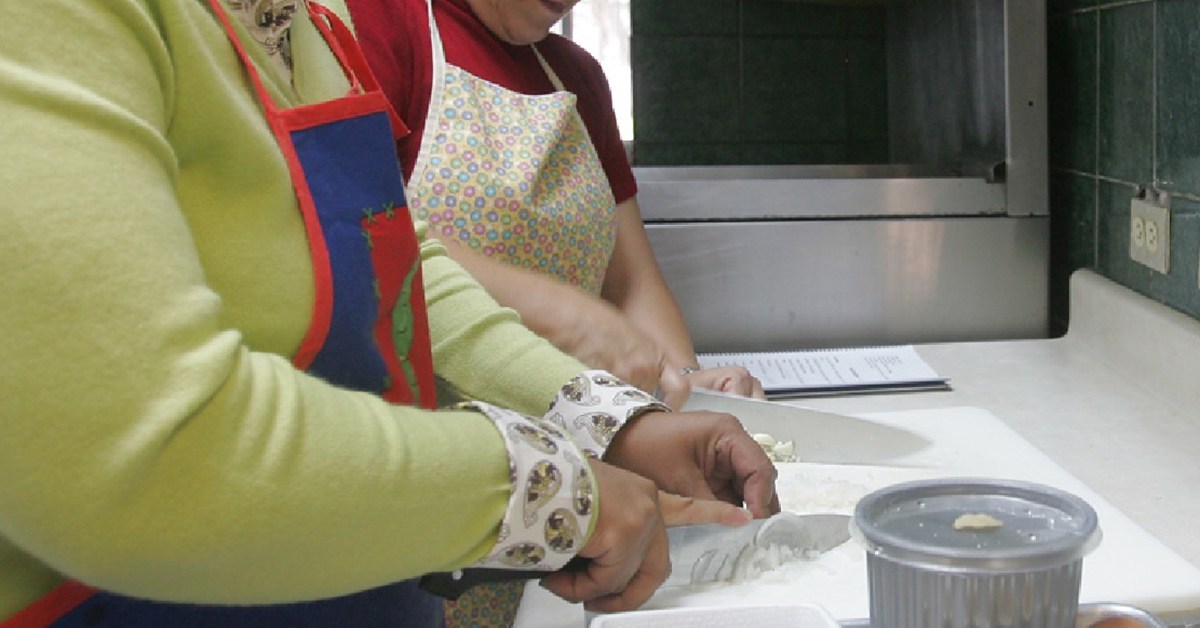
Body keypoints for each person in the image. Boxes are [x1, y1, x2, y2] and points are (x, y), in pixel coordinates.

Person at [0, 1, 780, 626]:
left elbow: (400, 262)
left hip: (367, 582)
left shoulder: (305, 23)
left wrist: (609, 417)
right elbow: (143, 456)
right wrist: (544, 487)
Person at [345, 0, 766, 408]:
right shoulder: (377, 22)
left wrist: (688, 383)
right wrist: (566, 317)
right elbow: (364, 237)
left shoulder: (579, 77)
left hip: (571, 428)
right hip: (430, 427)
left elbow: (630, 282)